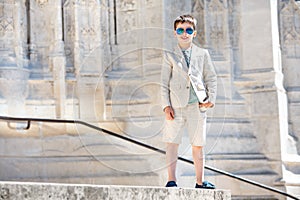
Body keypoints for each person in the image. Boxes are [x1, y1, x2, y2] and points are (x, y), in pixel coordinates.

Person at [161, 14, 217, 189]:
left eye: (188, 30)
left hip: (196, 105)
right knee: (172, 143)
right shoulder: (169, 54)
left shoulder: (202, 53)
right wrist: (166, 105)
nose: (184, 33)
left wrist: (210, 99)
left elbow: (211, 77)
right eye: (180, 30)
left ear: (194, 33)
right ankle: (171, 181)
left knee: (198, 145)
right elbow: (163, 82)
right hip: (176, 107)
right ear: (175, 32)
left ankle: (200, 182)